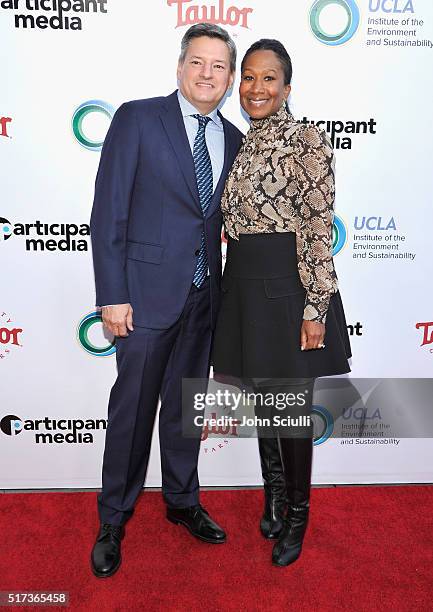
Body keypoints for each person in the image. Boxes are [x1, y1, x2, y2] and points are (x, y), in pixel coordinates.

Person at [89, 23, 243, 578]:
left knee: (183, 413)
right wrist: (113, 295)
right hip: (144, 298)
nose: (208, 74)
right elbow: (108, 211)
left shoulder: (235, 138)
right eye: (197, 62)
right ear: (180, 68)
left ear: (229, 78)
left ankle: (181, 501)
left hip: (205, 298)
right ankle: (113, 518)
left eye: (219, 66)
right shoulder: (137, 117)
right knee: (131, 414)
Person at [212, 39, 352, 567]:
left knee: (289, 411)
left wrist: (315, 306)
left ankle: (297, 514)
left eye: (268, 78)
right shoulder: (238, 143)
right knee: (261, 400)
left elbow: (319, 228)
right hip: (241, 286)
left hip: (289, 290)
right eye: (248, 77)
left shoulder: (307, 140)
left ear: (287, 87)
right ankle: (273, 490)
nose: (256, 87)